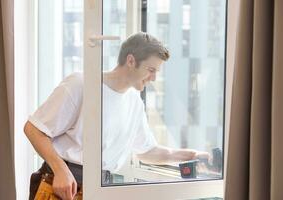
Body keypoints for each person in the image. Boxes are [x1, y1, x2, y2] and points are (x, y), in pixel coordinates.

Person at [24, 32, 210, 200]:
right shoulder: (81, 84)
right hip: (61, 188)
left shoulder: (134, 102)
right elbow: (34, 129)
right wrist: (60, 170)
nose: (153, 78)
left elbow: (148, 151)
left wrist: (192, 155)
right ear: (131, 61)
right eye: (151, 70)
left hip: (100, 190)